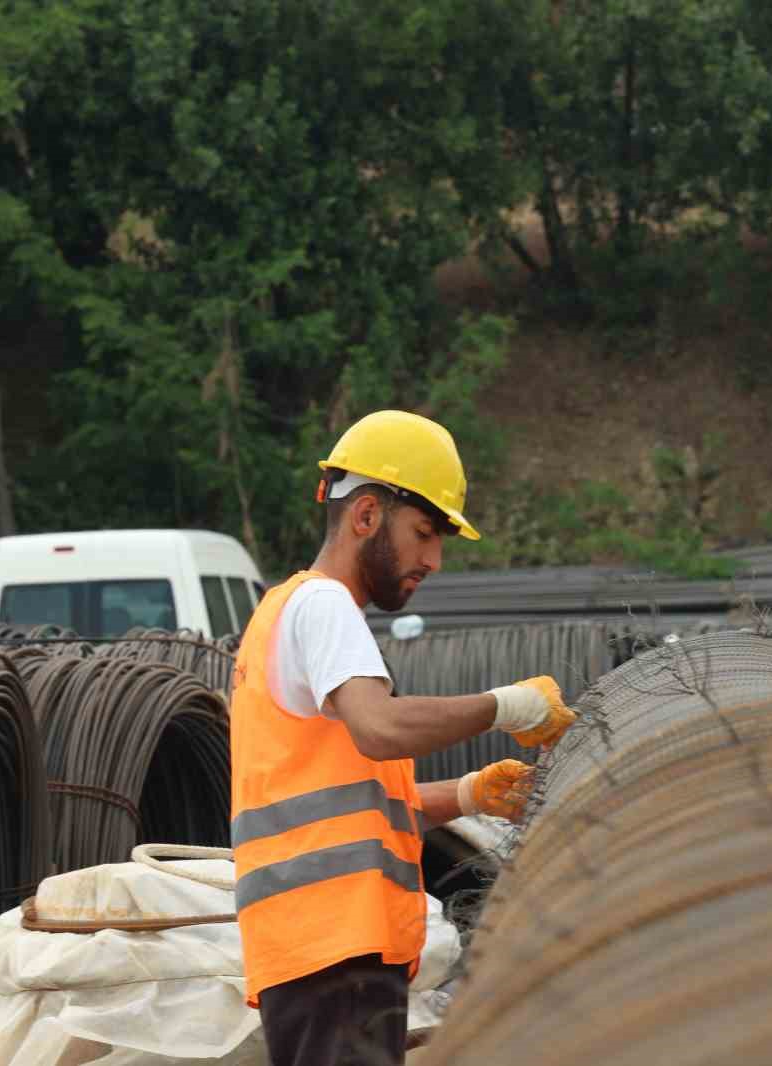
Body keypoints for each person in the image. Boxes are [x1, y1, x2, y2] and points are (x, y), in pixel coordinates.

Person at [230, 410, 577, 1066]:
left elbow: (350, 810)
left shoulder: (282, 614)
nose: (434, 560)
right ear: (366, 516)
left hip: (319, 953)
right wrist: (510, 706)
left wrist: (470, 792)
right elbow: (381, 728)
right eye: (424, 533)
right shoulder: (324, 605)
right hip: (336, 950)